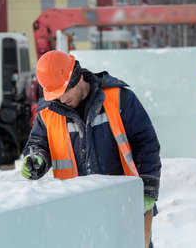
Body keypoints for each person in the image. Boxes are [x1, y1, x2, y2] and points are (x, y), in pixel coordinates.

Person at [22, 50, 161, 248]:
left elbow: (146, 143)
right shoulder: (48, 113)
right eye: (55, 95)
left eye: (64, 92)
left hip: (125, 204)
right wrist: (36, 158)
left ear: (77, 78)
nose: (61, 100)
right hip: (77, 211)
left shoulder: (119, 98)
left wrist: (147, 189)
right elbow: (38, 143)